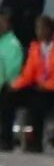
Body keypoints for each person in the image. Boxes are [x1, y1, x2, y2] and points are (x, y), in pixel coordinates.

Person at [1, 15, 54, 153]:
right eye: (37, 29)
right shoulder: (35, 47)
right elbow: (28, 73)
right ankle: (6, 139)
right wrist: (14, 86)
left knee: (38, 102)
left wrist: (45, 85)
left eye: (42, 28)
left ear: (50, 29)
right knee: (8, 96)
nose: (39, 32)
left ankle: (35, 142)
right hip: (36, 86)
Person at [0, 11, 24, 149]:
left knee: (6, 97)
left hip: (8, 86)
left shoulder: (12, 44)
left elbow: (12, 71)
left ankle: (6, 139)